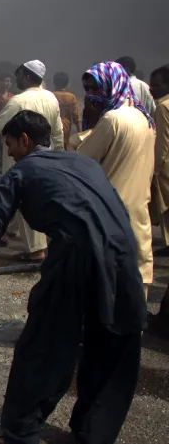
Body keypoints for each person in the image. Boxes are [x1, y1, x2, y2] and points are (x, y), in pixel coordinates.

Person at [0, 110, 146, 444]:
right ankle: (94, 434)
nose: (10, 153)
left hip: (76, 258)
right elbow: (112, 209)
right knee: (113, 343)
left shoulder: (22, 171)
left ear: (25, 140)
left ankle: (20, 433)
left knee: (45, 345)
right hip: (124, 252)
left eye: (10, 144)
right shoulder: (83, 163)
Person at [75, 61, 155, 292]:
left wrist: (90, 123)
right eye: (87, 89)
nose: (89, 96)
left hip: (110, 211)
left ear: (111, 86)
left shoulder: (112, 120)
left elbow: (81, 161)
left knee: (107, 281)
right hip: (138, 210)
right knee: (137, 277)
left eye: (95, 89)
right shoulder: (144, 117)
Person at [0, 60, 64, 260]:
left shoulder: (18, 101)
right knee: (32, 194)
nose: (15, 80)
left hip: (21, 154)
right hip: (46, 153)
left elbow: (0, 125)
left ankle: (36, 250)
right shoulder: (50, 97)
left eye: (17, 75)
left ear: (26, 77)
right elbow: (58, 130)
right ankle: (9, 230)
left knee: (22, 196)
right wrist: (58, 151)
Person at [150, 64, 169, 316]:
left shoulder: (163, 107)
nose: (152, 89)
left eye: (157, 84)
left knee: (165, 203)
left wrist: (155, 168)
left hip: (166, 165)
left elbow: (162, 142)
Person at [52, 72, 82, 148]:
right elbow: (77, 118)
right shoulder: (71, 97)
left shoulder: (50, 95)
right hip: (66, 127)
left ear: (54, 82)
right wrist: (81, 135)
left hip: (53, 126)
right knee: (65, 147)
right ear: (67, 83)